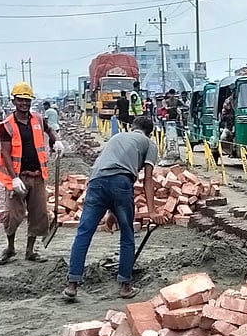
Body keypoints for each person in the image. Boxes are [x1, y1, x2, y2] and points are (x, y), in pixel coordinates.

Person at [63, 115, 170, 300]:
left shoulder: (117, 137)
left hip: (95, 182)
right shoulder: (149, 144)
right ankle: (125, 286)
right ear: (150, 133)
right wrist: (152, 211)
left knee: (84, 232)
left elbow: (107, 173)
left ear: (133, 127)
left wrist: (111, 212)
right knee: (127, 234)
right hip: (121, 181)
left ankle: (72, 284)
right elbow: (148, 179)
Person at [0, 81, 63, 263]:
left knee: (38, 213)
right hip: (18, 177)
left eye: (27, 100)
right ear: (14, 101)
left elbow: (50, 131)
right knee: (13, 214)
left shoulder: (38, 119)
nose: (24, 103)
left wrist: (55, 141)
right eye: (20, 100)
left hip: (37, 175)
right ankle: (10, 248)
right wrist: (14, 178)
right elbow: (6, 153)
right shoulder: (7, 125)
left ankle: (30, 251)